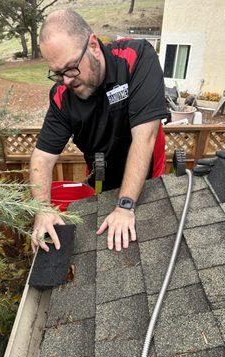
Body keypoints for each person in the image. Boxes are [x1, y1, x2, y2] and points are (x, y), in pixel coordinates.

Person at [30, 9, 168, 253]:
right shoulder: (63, 96)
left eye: (71, 68)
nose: (66, 81)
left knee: (150, 238)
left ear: (93, 45)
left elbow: (145, 137)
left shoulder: (136, 57)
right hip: (101, 174)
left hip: (146, 170)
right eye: (57, 73)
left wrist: (125, 206)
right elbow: (42, 157)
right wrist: (43, 209)